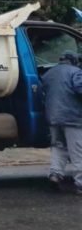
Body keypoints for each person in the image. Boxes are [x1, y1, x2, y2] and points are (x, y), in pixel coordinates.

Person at [41, 49, 82, 194]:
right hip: (72, 117)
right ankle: (80, 183)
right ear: (74, 60)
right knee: (77, 151)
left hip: (53, 117)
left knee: (59, 147)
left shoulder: (49, 74)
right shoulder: (75, 72)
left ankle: (55, 174)